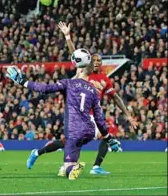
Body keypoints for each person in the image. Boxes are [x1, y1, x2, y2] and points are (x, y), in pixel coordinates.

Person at [28, 22, 137, 176]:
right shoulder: (84, 72)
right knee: (96, 138)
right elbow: (75, 55)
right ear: (90, 62)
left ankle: (79, 165)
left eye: (100, 61)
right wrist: (67, 37)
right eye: (95, 60)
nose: (97, 63)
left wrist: (127, 114)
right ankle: (47, 156)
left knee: (94, 138)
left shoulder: (105, 79)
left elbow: (116, 97)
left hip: (91, 114)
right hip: (80, 113)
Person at [6, 64, 121, 180]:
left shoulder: (69, 83)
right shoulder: (93, 90)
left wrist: (23, 82)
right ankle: (41, 154)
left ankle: (71, 166)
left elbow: (45, 89)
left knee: (69, 164)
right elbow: (100, 119)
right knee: (70, 143)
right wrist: (108, 137)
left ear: (79, 69)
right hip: (87, 127)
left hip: (76, 126)